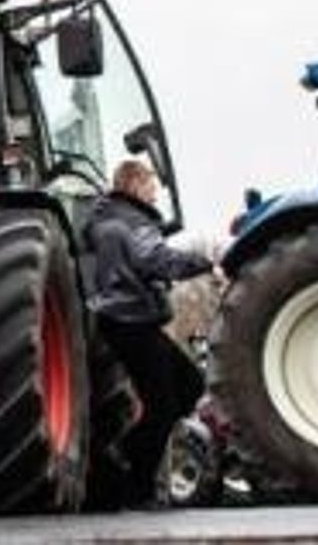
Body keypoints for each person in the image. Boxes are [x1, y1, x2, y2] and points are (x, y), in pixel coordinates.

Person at [85, 157, 214, 505]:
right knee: (165, 403)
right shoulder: (133, 220)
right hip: (132, 320)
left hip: (123, 320)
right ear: (136, 185)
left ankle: (127, 466)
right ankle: (130, 479)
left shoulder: (106, 218)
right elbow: (156, 261)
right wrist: (206, 262)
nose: (155, 197)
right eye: (152, 188)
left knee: (188, 384)